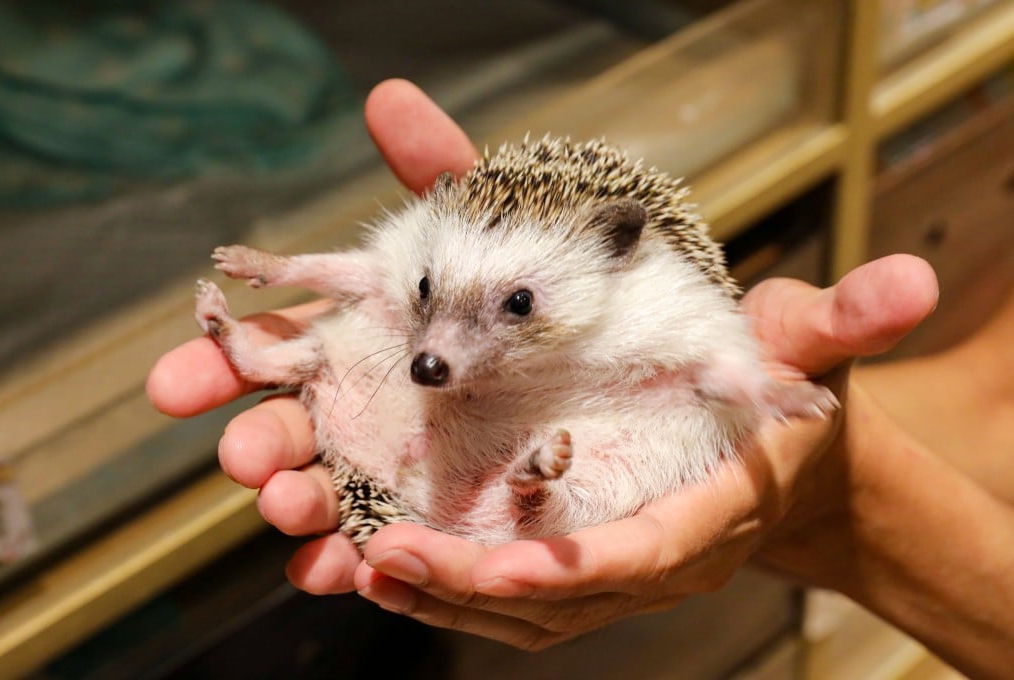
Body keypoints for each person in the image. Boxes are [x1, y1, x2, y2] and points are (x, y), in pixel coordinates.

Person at [146, 79, 1014, 679]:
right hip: (433, 454)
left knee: (656, 439)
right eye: (438, 297)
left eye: (516, 304)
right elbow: (994, 400)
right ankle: (502, 484)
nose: (438, 351)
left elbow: (707, 365)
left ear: (615, 259)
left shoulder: (650, 300)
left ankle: (536, 497)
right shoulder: (431, 261)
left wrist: (820, 469)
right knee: (357, 346)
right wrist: (816, 455)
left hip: (565, 448)